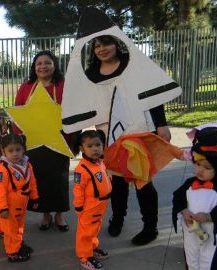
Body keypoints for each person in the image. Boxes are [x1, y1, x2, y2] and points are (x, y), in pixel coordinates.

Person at [85, 35, 171, 245]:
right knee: (118, 181)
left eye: (106, 43)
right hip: (109, 134)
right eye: (97, 46)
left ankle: (150, 228)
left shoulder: (133, 65)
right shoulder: (91, 74)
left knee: (142, 180)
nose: (102, 49)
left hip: (139, 130)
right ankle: (117, 219)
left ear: (116, 44)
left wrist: (161, 124)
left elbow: (152, 95)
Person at [14, 50, 71, 231]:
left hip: (59, 140)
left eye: (47, 62)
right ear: (34, 67)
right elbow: (18, 113)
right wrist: (19, 142)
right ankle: (46, 214)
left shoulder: (64, 85)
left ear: (54, 65)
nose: (43, 66)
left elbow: (73, 112)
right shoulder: (26, 87)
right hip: (34, 141)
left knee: (59, 178)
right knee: (39, 179)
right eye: (39, 63)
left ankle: (60, 215)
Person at [172, 127, 217, 270]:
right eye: (197, 164)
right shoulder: (190, 183)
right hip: (192, 234)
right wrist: (184, 211)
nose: (199, 170)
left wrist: (209, 216)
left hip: (213, 237)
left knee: (211, 263)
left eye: (207, 167)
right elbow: (178, 196)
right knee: (191, 261)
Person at [0, 134, 39, 262]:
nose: (15, 154)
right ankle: (13, 252)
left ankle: (18, 244)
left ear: (23, 149)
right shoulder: (2, 169)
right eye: (10, 151)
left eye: (18, 150)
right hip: (9, 205)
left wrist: (35, 197)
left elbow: (32, 182)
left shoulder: (27, 165)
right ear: (3, 151)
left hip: (22, 203)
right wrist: (3, 208)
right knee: (10, 230)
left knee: (19, 226)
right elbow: (0, 191)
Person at [72, 130, 111, 270]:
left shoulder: (100, 162)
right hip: (89, 207)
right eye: (89, 146)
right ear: (82, 149)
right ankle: (84, 256)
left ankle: (91, 248)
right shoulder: (82, 169)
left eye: (98, 145)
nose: (95, 148)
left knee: (94, 228)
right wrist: (78, 207)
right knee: (85, 232)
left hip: (101, 205)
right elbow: (78, 190)